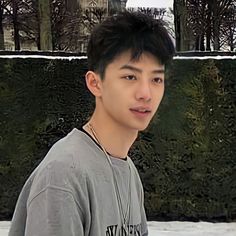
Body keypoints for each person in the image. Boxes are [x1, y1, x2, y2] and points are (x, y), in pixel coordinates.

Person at [9, 11, 175, 236]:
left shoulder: (128, 171)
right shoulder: (63, 176)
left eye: (156, 79)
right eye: (130, 77)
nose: (146, 93)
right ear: (95, 83)